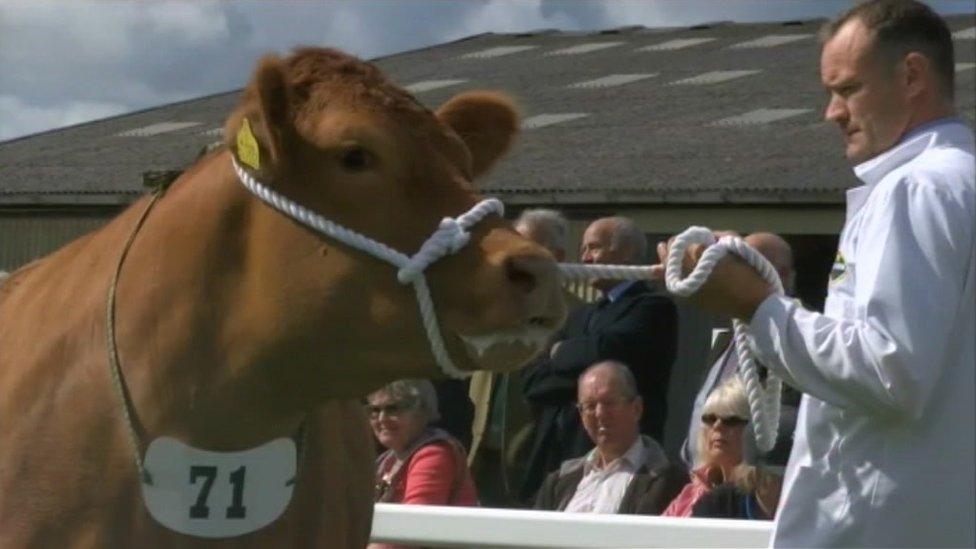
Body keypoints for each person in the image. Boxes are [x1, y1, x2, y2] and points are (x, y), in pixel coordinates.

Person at [659, 1, 974, 545]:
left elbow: (887, 369)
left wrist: (758, 305)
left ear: (912, 75)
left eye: (848, 89)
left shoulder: (913, 189)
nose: (832, 112)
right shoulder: (958, 181)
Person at [521, 216, 678, 501]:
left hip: (625, 465)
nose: (584, 258)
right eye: (582, 249)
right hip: (557, 459)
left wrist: (559, 353)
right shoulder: (580, 316)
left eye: (593, 247)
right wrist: (584, 366)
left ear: (626, 252)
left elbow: (610, 348)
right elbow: (533, 381)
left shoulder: (652, 309)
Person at [468, 208, 580, 507]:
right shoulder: (494, 306)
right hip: (479, 450)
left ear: (557, 256)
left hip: (532, 459)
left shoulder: (573, 315)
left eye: (527, 247)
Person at [680, 232, 801, 469]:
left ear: (781, 275)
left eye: (743, 266)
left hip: (750, 486)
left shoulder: (795, 340)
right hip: (700, 476)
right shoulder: (727, 337)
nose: (732, 275)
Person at [533, 361, 687, 514]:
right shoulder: (558, 482)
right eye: (590, 406)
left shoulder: (668, 482)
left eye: (609, 403)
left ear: (637, 408)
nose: (599, 413)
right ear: (581, 415)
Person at [662, 377, 781, 519]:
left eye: (731, 421)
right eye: (710, 419)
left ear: (755, 429)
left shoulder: (765, 495)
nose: (717, 426)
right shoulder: (689, 493)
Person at [368, 379, 478, 508]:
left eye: (393, 409)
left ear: (421, 411)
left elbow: (414, 521)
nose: (382, 419)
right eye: (375, 410)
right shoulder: (388, 459)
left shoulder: (434, 455)